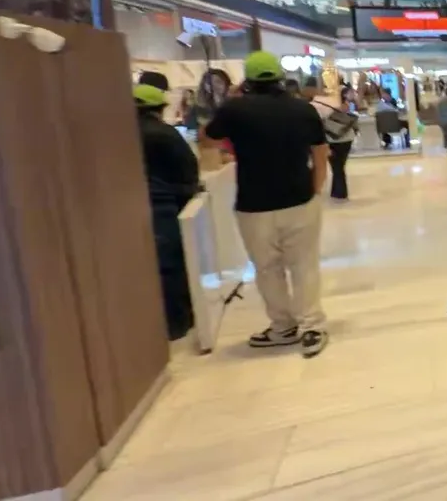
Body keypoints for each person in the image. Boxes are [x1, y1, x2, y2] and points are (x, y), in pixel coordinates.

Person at [203, 51, 330, 358]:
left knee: (267, 269)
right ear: (280, 78)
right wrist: (315, 189)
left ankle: (282, 327)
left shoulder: (235, 110)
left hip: (253, 204)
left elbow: (207, 138)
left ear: (247, 80)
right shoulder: (302, 109)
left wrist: (232, 100)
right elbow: (320, 153)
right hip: (299, 198)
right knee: (304, 266)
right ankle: (312, 327)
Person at [134, 84, 200, 341]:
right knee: (170, 266)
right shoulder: (164, 133)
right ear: (159, 109)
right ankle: (178, 323)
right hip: (163, 205)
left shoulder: (115, 135)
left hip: (130, 208)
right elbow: (188, 170)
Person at [306, 80, 356, 202]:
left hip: (331, 138)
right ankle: (338, 192)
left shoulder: (313, 105)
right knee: (339, 165)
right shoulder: (335, 100)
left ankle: (340, 193)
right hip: (347, 135)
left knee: (336, 166)